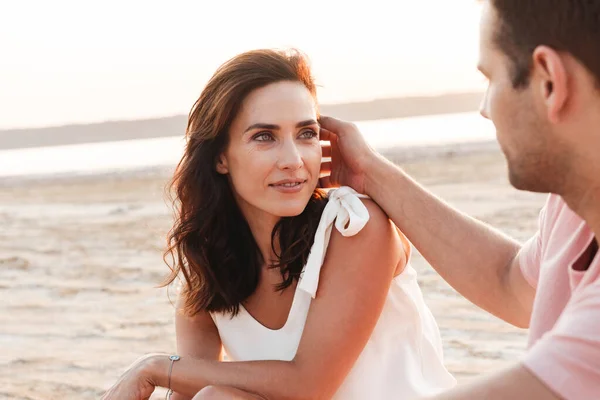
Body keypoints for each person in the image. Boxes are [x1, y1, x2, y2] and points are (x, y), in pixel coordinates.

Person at [102, 49, 456, 400]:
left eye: (306, 134)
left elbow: (309, 386)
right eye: (264, 137)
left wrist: (153, 368)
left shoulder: (356, 226)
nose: (293, 160)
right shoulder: (210, 264)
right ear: (221, 157)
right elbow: (187, 386)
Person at [318, 1, 600, 399]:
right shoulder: (573, 208)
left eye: (491, 78)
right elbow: (511, 283)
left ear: (549, 82)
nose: (485, 109)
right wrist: (369, 174)